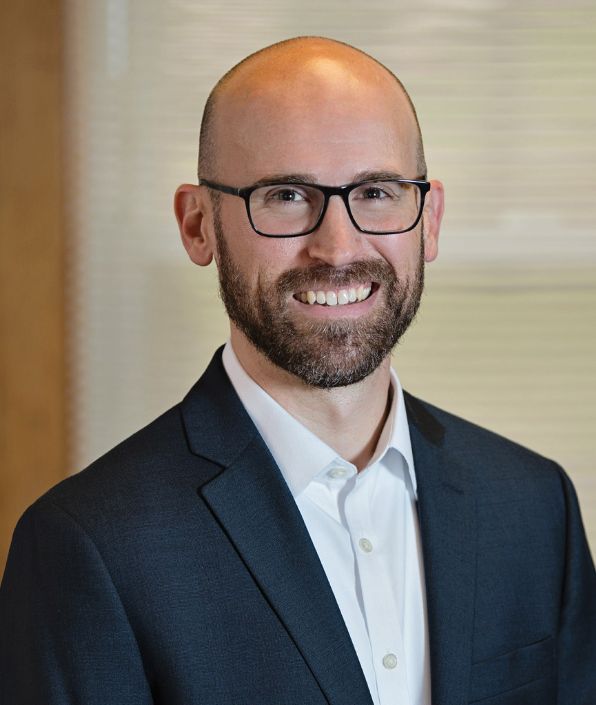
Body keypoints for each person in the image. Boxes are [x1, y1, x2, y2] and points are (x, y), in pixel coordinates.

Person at [1, 36, 594, 705]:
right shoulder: (90, 548)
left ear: (429, 221)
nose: (337, 246)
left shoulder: (534, 505)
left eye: (375, 191)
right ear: (198, 225)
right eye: (285, 194)